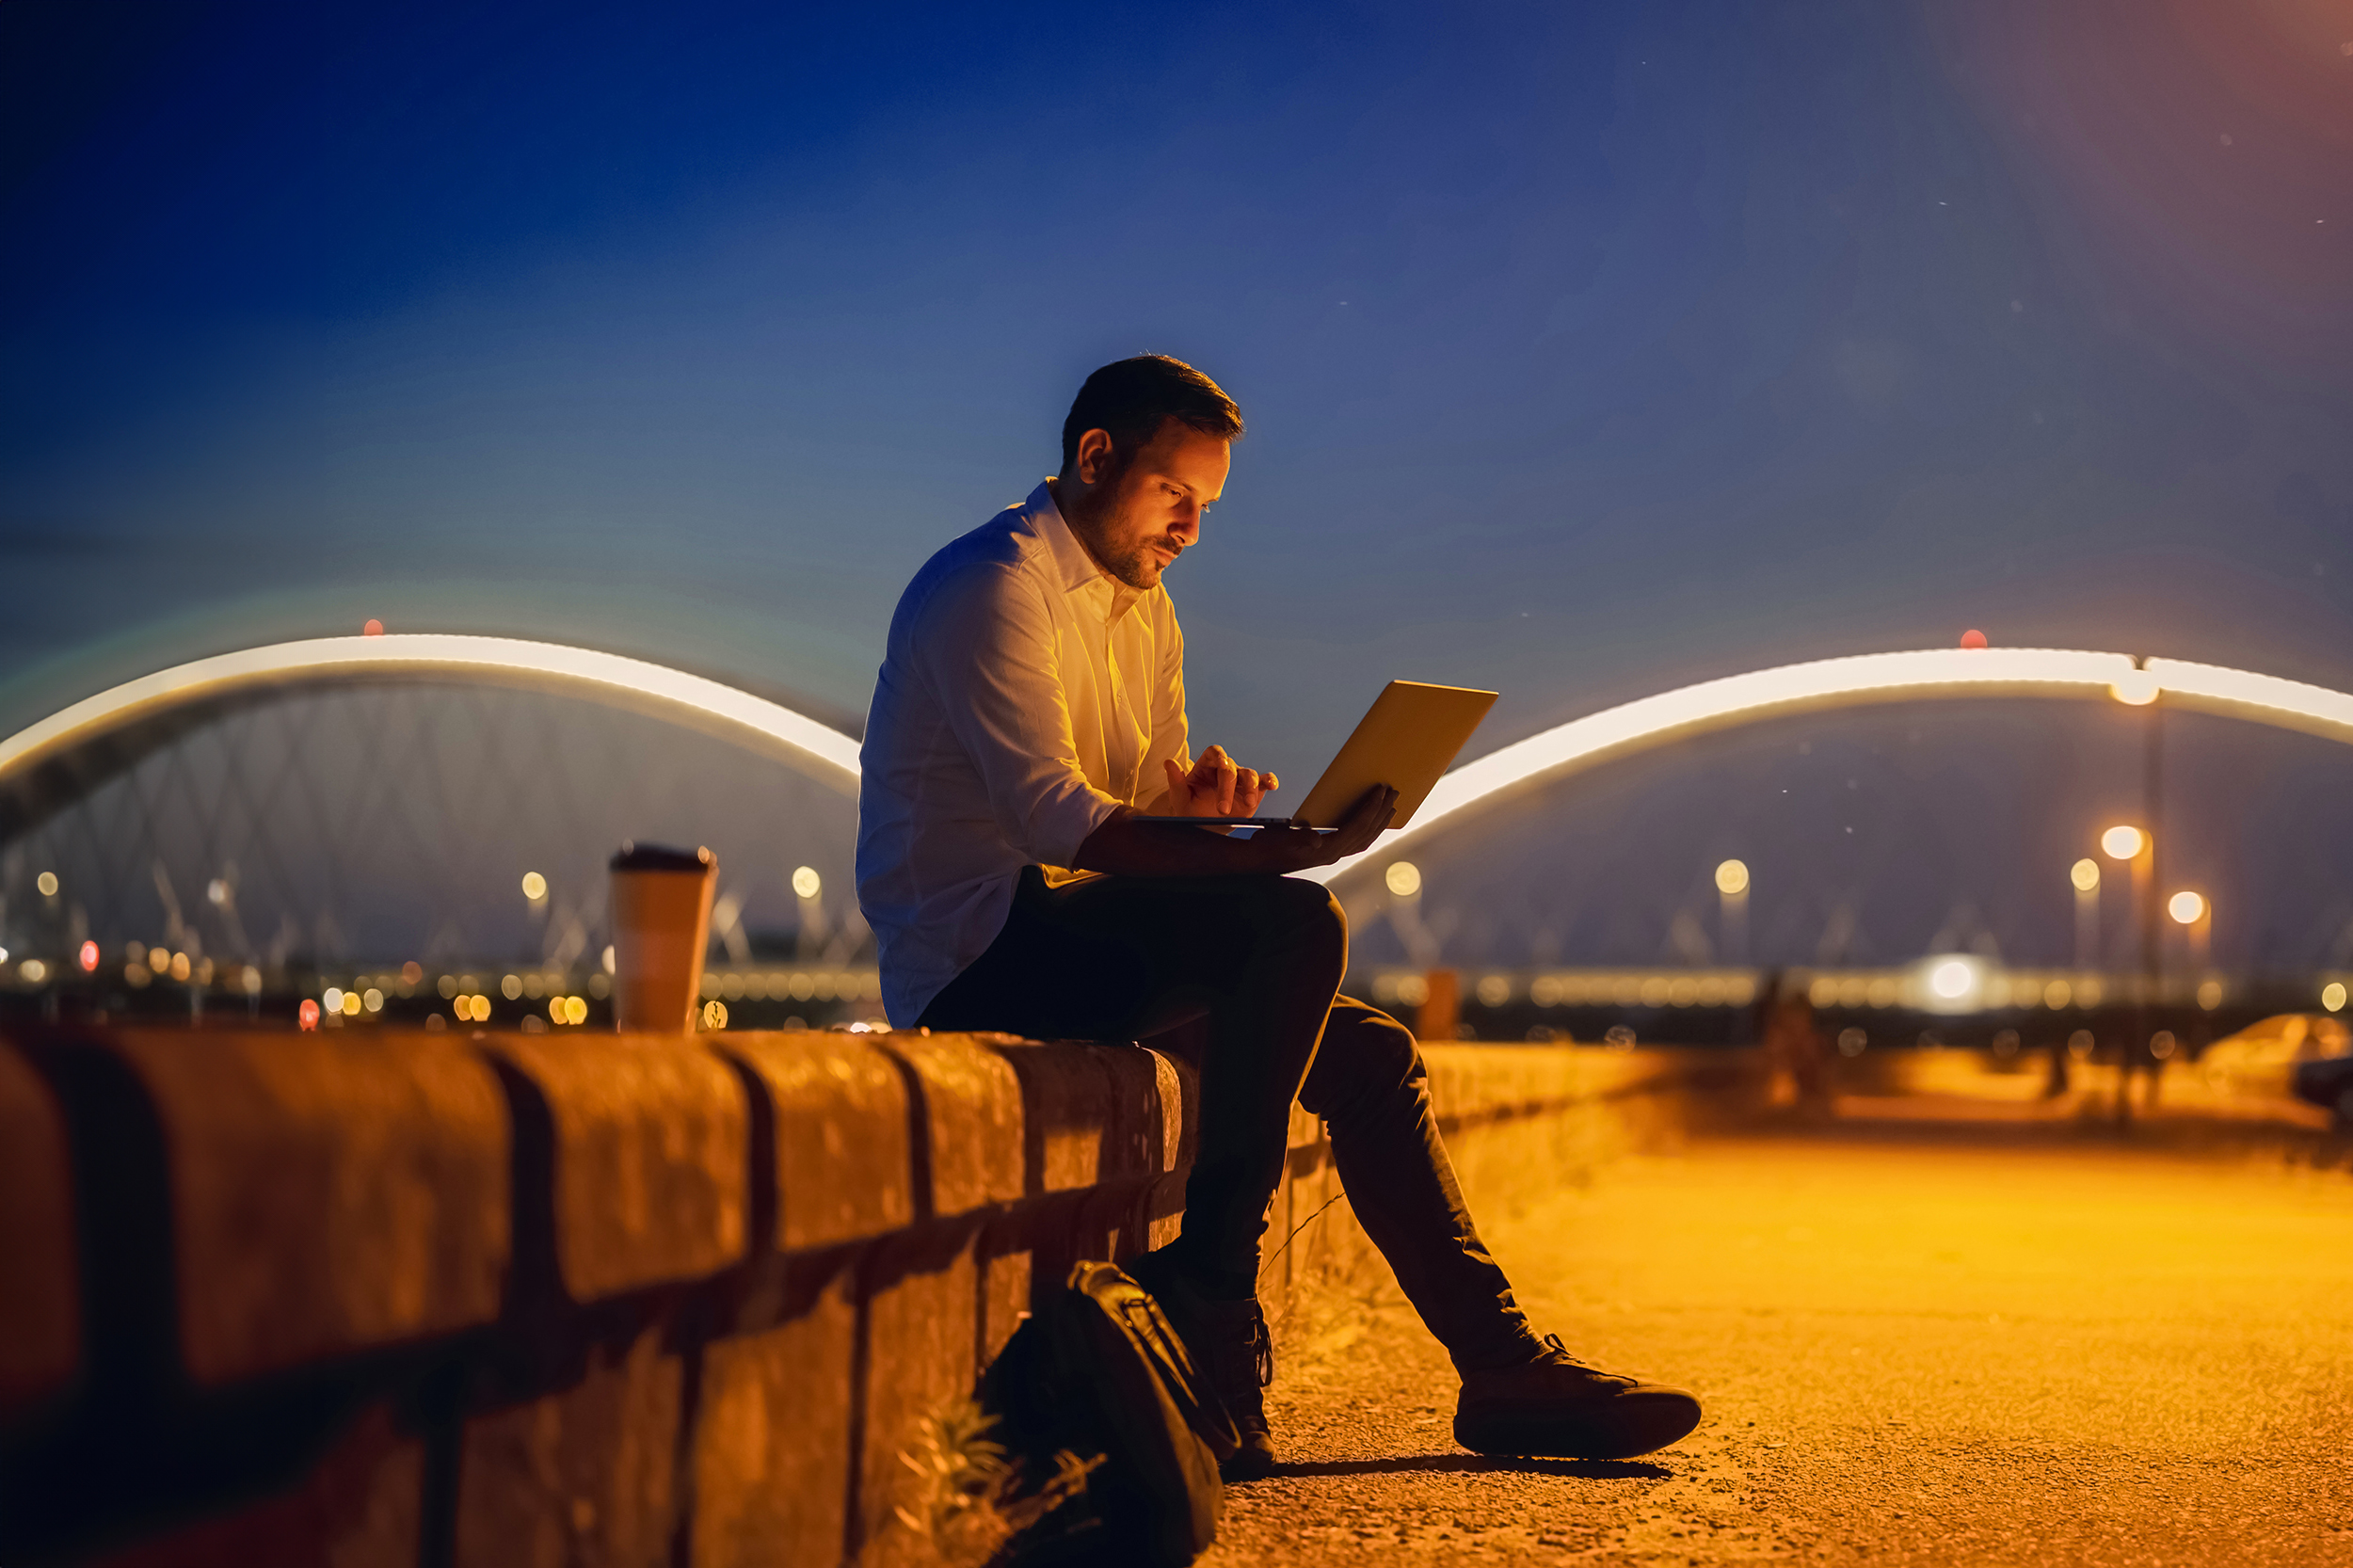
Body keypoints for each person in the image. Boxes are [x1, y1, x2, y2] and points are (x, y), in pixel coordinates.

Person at [856, 354, 1701, 1478]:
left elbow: (1134, 812)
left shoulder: (1146, 614)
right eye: (1175, 494)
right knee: (1295, 923)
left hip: (1082, 935)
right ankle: (1214, 1284)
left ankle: (1502, 1368)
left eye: (1206, 506)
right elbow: (1063, 823)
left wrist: (1204, 818)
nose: (1191, 529)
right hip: (979, 954)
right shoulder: (991, 587)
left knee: (1372, 1055)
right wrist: (1277, 855)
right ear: (1095, 457)